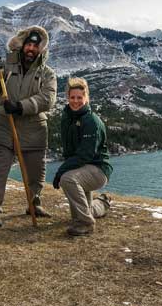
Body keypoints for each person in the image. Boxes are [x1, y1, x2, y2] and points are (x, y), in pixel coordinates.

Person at [0, 26, 57, 226]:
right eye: (28, 44)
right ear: (22, 46)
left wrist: (21, 106)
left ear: (41, 49)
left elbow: (48, 99)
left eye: (35, 46)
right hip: (2, 126)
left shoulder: (47, 73)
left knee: (36, 172)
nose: (31, 48)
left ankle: (34, 203)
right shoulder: (5, 67)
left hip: (33, 130)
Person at [52, 78, 113, 236]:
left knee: (67, 179)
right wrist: (66, 167)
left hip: (98, 169)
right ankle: (103, 202)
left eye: (80, 97)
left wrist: (61, 172)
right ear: (68, 97)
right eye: (72, 97)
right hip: (81, 168)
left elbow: (85, 155)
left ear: (86, 98)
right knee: (80, 212)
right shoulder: (67, 117)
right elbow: (69, 151)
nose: (76, 101)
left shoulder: (91, 120)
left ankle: (86, 224)